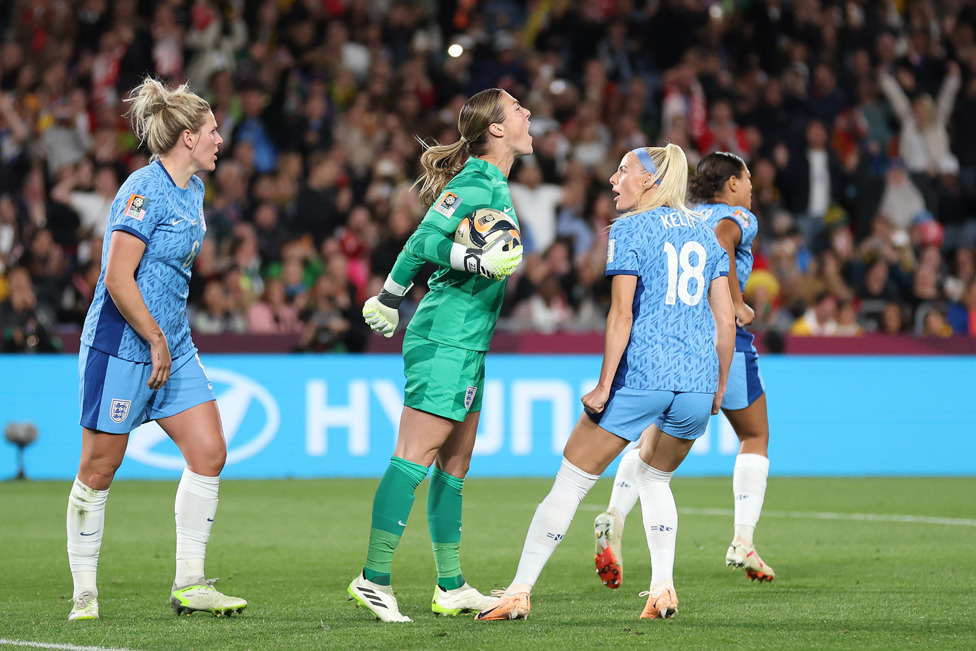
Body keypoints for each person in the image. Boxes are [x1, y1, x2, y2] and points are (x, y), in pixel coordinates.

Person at [475, 144, 734, 622]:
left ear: (650, 181)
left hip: (645, 374)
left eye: (623, 172)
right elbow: (726, 320)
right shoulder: (710, 231)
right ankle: (662, 589)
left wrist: (603, 384)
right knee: (655, 477)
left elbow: (620, 314)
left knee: (570, 483)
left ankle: (518, 591)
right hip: (696, 381)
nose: (614, 180)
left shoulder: (631, 228)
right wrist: (717, 387)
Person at [65, 77, 247, 621]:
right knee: (100, 469)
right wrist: (155, 337)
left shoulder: (194, 189)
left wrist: (169, 339)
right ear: (188, 137)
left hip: (173, 347)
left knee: (209, 451)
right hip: (122, 347)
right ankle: (84, 594)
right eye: (213, 131)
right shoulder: (141, 190)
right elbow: (118, 277)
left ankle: (190, 582)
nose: (220, 139)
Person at [347, 88, 530, 623]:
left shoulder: (493, 182)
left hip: (471, 341)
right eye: (517, 109)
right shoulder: (475, 180)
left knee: (455, 464)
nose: (527, 114)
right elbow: (423, 242)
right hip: (444, 335)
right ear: (496, 129)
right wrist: (392, 294)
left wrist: (390, 294)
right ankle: (373, 577)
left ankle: (450, 585)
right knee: (414, 455)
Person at [590, 152, 777, 600]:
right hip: (717, 341)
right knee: (755, 437)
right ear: (731, 183)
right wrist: (735, 301)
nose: (751, 187)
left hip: (672, 347)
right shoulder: (738, 215)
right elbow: (724, 239)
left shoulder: (681, 214)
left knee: (651, 445)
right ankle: (743, 539)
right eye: (747, 178)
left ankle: (615, 513)